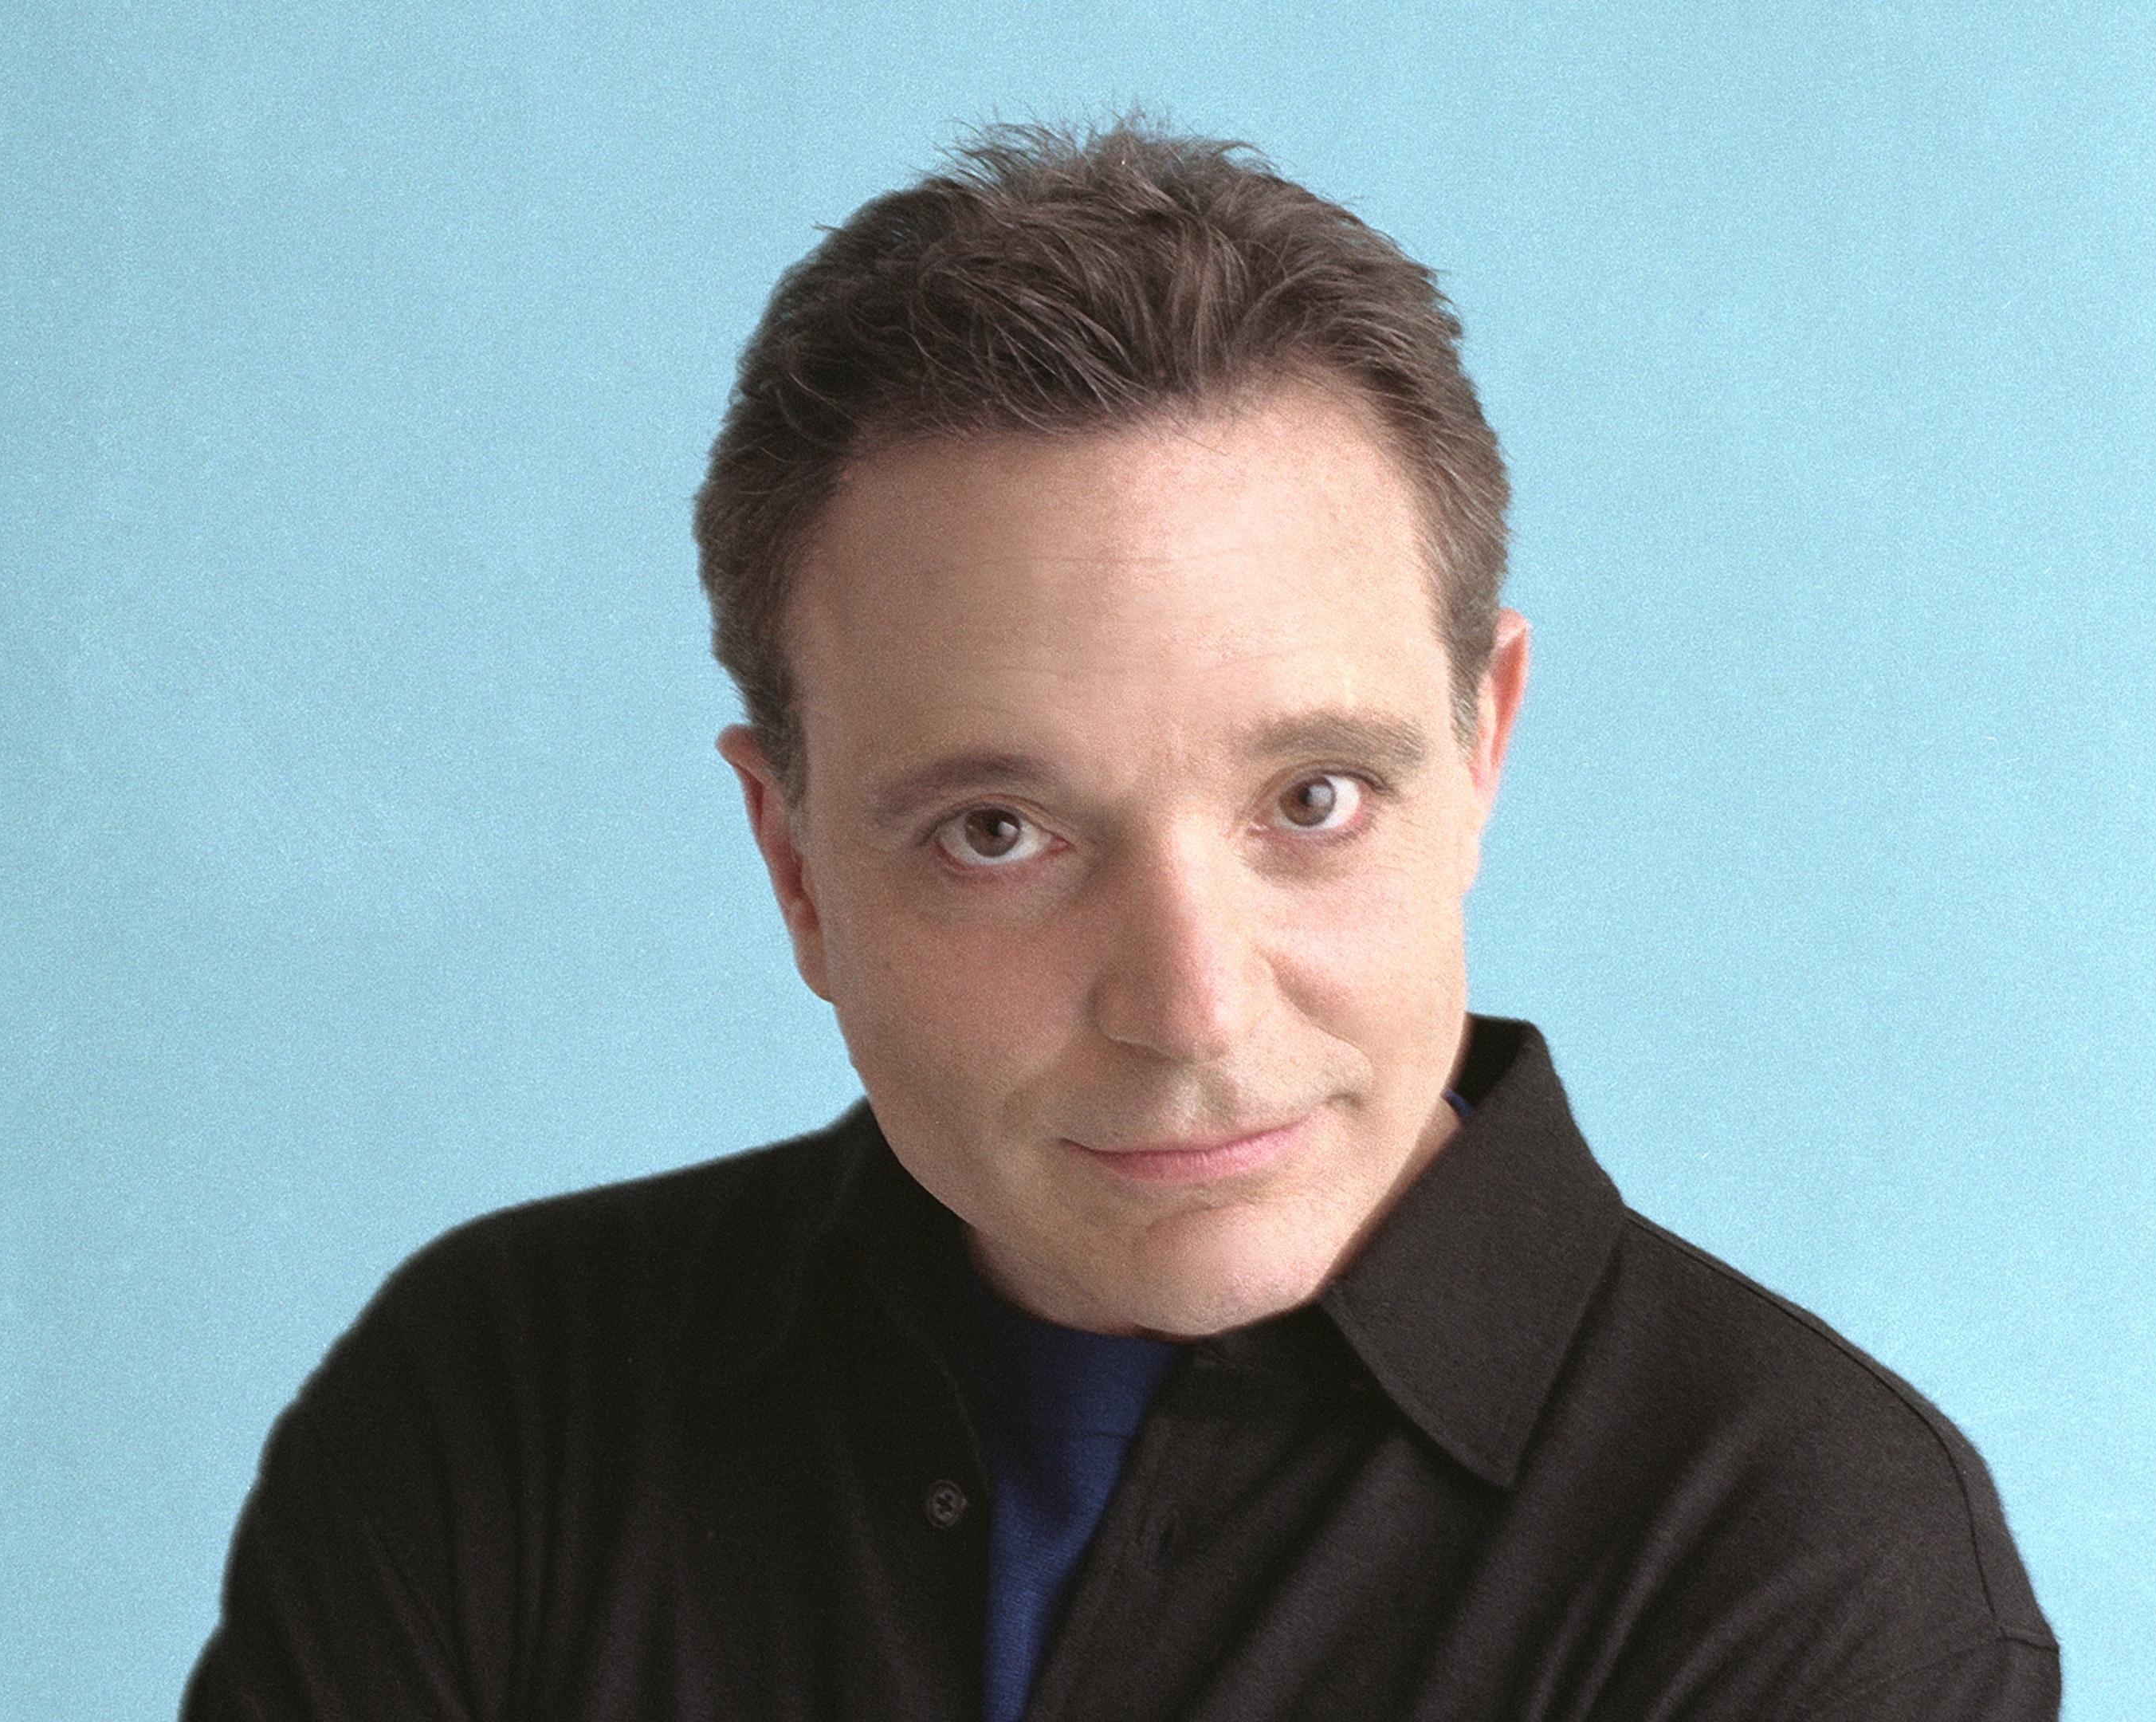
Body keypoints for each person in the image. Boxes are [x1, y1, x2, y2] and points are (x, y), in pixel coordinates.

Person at [183, 120, 2057, 1721]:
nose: (1190, 1004)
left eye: (1312, 801)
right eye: (1001, 833)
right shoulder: (501, 1408)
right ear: (796, 864)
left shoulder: (1810, 1567)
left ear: (1482, 748)